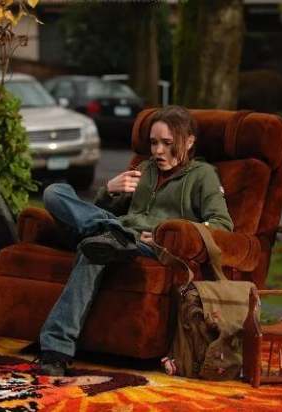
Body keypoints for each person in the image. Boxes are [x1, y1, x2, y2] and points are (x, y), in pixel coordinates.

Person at [37, 105, 233, 376]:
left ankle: (55, 352)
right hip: (117, 233)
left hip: (149, 245)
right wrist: (109, 190)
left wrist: (166, 233)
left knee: (93, 248)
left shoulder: (203, 175)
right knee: (55, 192)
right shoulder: (145, 168)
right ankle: (112, 234)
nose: (158, 151)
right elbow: (98, 211)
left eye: (167, 143)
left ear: (189, 141)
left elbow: (222, 225)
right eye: (153, 143)